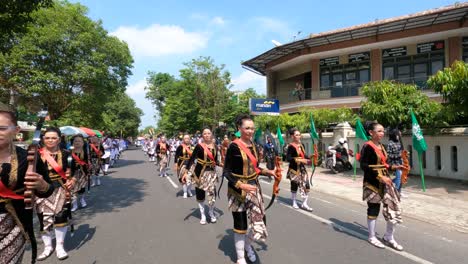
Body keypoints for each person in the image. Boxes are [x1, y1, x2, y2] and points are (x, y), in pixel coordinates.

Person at [0, 104, 54, 264]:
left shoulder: (27, 158)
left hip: (13, 224)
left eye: (2, 128)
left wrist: (42, 185)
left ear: (16, 130)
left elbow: (48, 190)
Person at [222, 114, 275, 264]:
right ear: (239, 128)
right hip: (237, 191)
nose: (250, 131)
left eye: (252, 128)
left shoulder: (254, 145)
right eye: (247, 128)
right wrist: (241, 184)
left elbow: (255, 167)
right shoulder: (233, 146)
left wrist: (267, 172)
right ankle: (240, 257)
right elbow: (226, 171)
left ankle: (248, 245)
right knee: (240, 226)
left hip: (254, 189)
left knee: (260, 222)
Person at [360, 121, 405, 251]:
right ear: (371, 133)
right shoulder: (367, 147)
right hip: (372, 183)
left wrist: (394, 167)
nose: (382, 133)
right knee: (373, 209)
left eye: (383, 131)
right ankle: (372, 236)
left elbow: (385, 164)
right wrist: (380, 177)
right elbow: (363, 165)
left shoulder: (383, 146)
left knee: (393, 208)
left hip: (386, 183)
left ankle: (389, 237)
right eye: (379, 131)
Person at [36, 127, 76, 261]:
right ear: (43, 139)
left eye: (53, 138)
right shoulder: (35, 155)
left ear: (59, 139)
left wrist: (73, 180)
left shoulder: (67, 154)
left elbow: (73, 172)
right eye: (47, 138)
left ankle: (59, 246)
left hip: (61, 188)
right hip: (41, 190)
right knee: (43, 219)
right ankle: (47, 247)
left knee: (60, 217)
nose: (50, 140)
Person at [183, 128, 220, 225]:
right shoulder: (199, 146)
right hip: (200, 173)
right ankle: (203, 214)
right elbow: (191, 159)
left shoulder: (215, 146)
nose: (207, 135)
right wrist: (186, 172)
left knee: (212, 194)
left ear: (211, 135)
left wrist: (225, 165)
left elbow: (216, 161)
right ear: (202, 136)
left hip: (211, 173)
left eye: (209, 133)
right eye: (205, 133)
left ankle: (211, 212)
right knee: (200, 195)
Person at [286, 128, 313, 211]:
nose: (298, 136)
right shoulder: (291, 146)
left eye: (299, 134)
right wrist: (300, 160)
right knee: (294, 185)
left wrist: (311, 157)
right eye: (296, 135)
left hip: (302, 169)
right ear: (292, 136)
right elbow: (288, 158)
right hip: (294, 169)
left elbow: (304, 156)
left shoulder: (302, 145)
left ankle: (304, 203)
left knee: (306, 185)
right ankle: (294, 201)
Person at [70, 135, 89, 211]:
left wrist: (87, 173)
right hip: (72, 173)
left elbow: (87, 163)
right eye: (75, 141)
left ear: (82, 143)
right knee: (73, 189)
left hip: (82, 173)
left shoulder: (85, 152)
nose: (77, 142)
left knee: (82, 188)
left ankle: (82, 200)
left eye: (79, 141)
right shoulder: (69, 152)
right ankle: (74, 205)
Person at [387, 128, 403, 194]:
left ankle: (398, 192)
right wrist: (399, 155)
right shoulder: (390, 144)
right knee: (397, 180)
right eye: (399, 134)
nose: (400, 135)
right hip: (394, 165)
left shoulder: (399, 142)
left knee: (401, 179)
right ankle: (395, 192)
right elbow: (389, 155)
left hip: (401, 164)